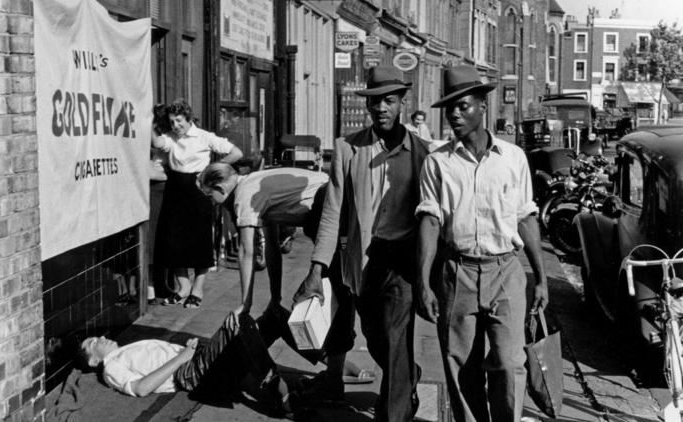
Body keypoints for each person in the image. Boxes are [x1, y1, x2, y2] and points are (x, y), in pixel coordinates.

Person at [294, 66, 431, 421]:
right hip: (363, 262)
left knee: (398, 337)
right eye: (375, 102)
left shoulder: (423, 153)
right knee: (376, 338)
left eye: (389, 100)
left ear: (402, 102)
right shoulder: (347, 149)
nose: (381, 108)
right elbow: (332, 213)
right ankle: (406, 377)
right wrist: (316, 269)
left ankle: (394, 412)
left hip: (402, 262)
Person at [415, 64, 549, 422]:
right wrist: (424, 281)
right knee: (461, 366)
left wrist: (541, 277)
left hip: (505, 270)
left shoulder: (513, 159)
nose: (455, 115)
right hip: (457, 273)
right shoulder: (437, 163)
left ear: (483, 107)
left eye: (464, 106)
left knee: (509, 361)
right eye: (450, 108)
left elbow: (525, 216)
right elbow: (430, 220)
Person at [198, 163, 374, 396]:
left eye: (211, 198)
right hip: (333, 208)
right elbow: (272, 249)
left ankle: (335, 381)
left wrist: (245, 303)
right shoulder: (255, 184)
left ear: (220, 187)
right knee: (338, 294)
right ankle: (335, 375)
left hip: (330, 209)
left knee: (339, 296)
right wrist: (275, 296)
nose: (213, 204)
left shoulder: (243, 195)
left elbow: (246, 250)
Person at [80, 313, 292, 414]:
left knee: (275, 318)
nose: (100, 338)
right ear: (93, 361)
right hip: (190, 373)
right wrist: (181, 358)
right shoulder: (110, 366)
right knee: (240, 322)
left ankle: (323, 369)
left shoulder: (124, 350)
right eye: (93, 343)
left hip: (197, 358)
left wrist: (187, 350)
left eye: (96, 337)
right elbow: (141, 389)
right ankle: (276, 386)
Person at [151, 99, 243, 308]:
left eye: (179, 121)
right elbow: (157, 144)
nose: (175, 126)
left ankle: (197, 289)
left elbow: (237, 153)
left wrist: (213, 169)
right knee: (172, 240)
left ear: (189, 119)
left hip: (199, 191)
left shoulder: (204, 137)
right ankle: (183, 288)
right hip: (175, 189)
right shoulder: (171, 137)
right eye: (172, 122)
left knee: (199, 241)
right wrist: (148, 121)